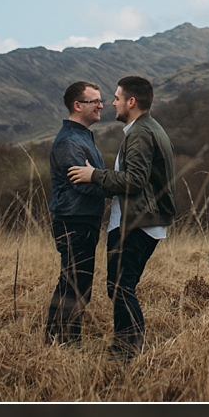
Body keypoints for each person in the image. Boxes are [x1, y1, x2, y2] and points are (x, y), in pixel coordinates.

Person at [66, 75, 175, 358]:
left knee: (120, 287)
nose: (111, 103)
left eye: (116, 98)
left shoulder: (140, 133)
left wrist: (94, 176)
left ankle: (126, 352)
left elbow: (135, 180)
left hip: (135, 222)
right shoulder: (147, 129)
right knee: (121, 287)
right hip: (143, 220)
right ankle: (128, 347)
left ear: (131, 101)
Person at [44, 80, 105, 343]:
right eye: (95, 101)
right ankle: (61, 343)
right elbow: (84, 185)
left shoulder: (81, 137)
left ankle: (65, 340)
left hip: (83, 220)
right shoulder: (70, 141)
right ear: (78, 105)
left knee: (79, 284)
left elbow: (92, 179)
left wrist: (99, 177)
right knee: (74, 285)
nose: (101, 105)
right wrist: (117, 183)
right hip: (73, 221)